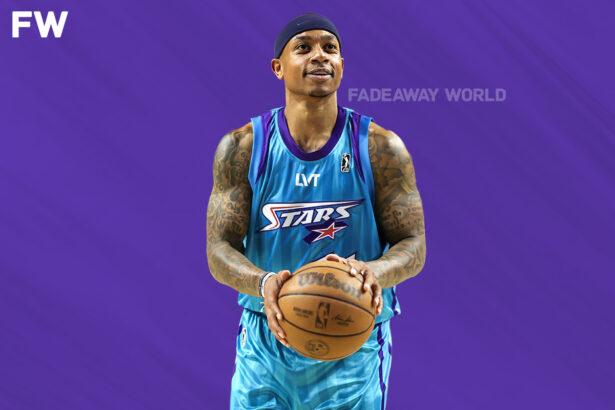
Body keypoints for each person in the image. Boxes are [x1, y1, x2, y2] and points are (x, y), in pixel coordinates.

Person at [206, 12, 426, 410]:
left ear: (342, 64)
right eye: (303, 47)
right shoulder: (242, 148)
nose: (320, 56)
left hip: (353, 340)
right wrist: (263, 282)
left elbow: (413, 244)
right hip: (267, 339)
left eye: (330, 48)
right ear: (278, 67)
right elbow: (219, 248)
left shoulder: (380, 148)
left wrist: (375, 272)